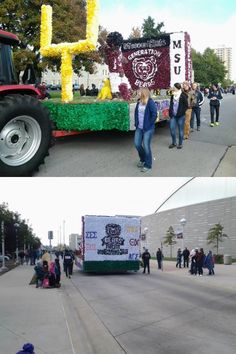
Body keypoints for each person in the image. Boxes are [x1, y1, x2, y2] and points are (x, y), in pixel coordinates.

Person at [134, 87, 157, 172]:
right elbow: (136, 113)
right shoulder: (139, 102)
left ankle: (148, 165)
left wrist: (148, 125)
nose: (138, 93)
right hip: (139, 127)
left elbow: (154, 114)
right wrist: (136, 123)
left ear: (143, 92)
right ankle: (143, 159)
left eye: (139, 92)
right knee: (137, 144)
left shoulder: (150, 102)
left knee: (146, 146)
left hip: (148, 128)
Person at [168, 83, 188, 149]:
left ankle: (180, 143)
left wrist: (182, 112)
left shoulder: (183, 95)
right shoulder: (172, 95)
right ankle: (174, 142)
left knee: (180, 130)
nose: (173, 88)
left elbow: (186, 105)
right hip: (173, 115)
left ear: (176, 87)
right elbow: (171, 105)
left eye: (173, 87)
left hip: (180, 116)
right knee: (171, 128)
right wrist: (170, 112)